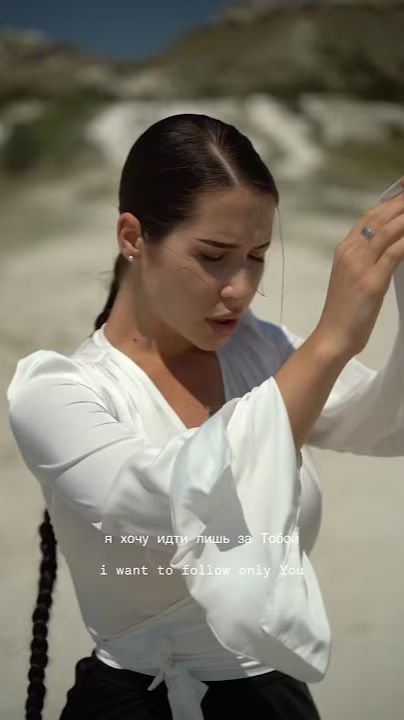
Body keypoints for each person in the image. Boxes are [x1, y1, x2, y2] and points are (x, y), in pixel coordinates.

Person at [6, 113, 404, 720]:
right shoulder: (58, 393)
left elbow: (386, 422)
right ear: (133, 237)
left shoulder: (261, 350)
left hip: (273, 699)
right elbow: (174, 504)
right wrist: (330, 343)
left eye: (257, 256)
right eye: (214, 256)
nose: (241, 287)